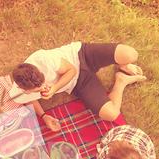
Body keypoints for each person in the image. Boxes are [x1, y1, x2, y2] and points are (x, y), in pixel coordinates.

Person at [10, 42, 146, 124]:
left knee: (130, 54)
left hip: (81, 54)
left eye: (43, 82)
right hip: (79, 83)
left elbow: (71, 70)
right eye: (38, 89)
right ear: (25, 89)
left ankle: (123, 65)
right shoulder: (19, 92)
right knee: (111, 114)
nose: (44, 87)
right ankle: (121, 81)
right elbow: (28, 100)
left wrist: (56, 87)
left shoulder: (44, 59)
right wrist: (44, 117)